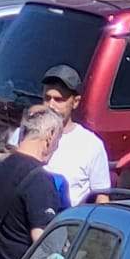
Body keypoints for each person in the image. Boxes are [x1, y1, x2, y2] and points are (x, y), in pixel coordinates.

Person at [0, 106, 65, 259]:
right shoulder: (39, 179)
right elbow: (43, 240)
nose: (57, 147)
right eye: (58, 140)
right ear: (49, 136)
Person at [33, 64, 110, 206]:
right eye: (47, 98)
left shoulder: (91, 145)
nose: (51, 105)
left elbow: (102, 197)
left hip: (70, 223)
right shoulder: (27, 137)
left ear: (75, 102)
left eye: (59, 99)